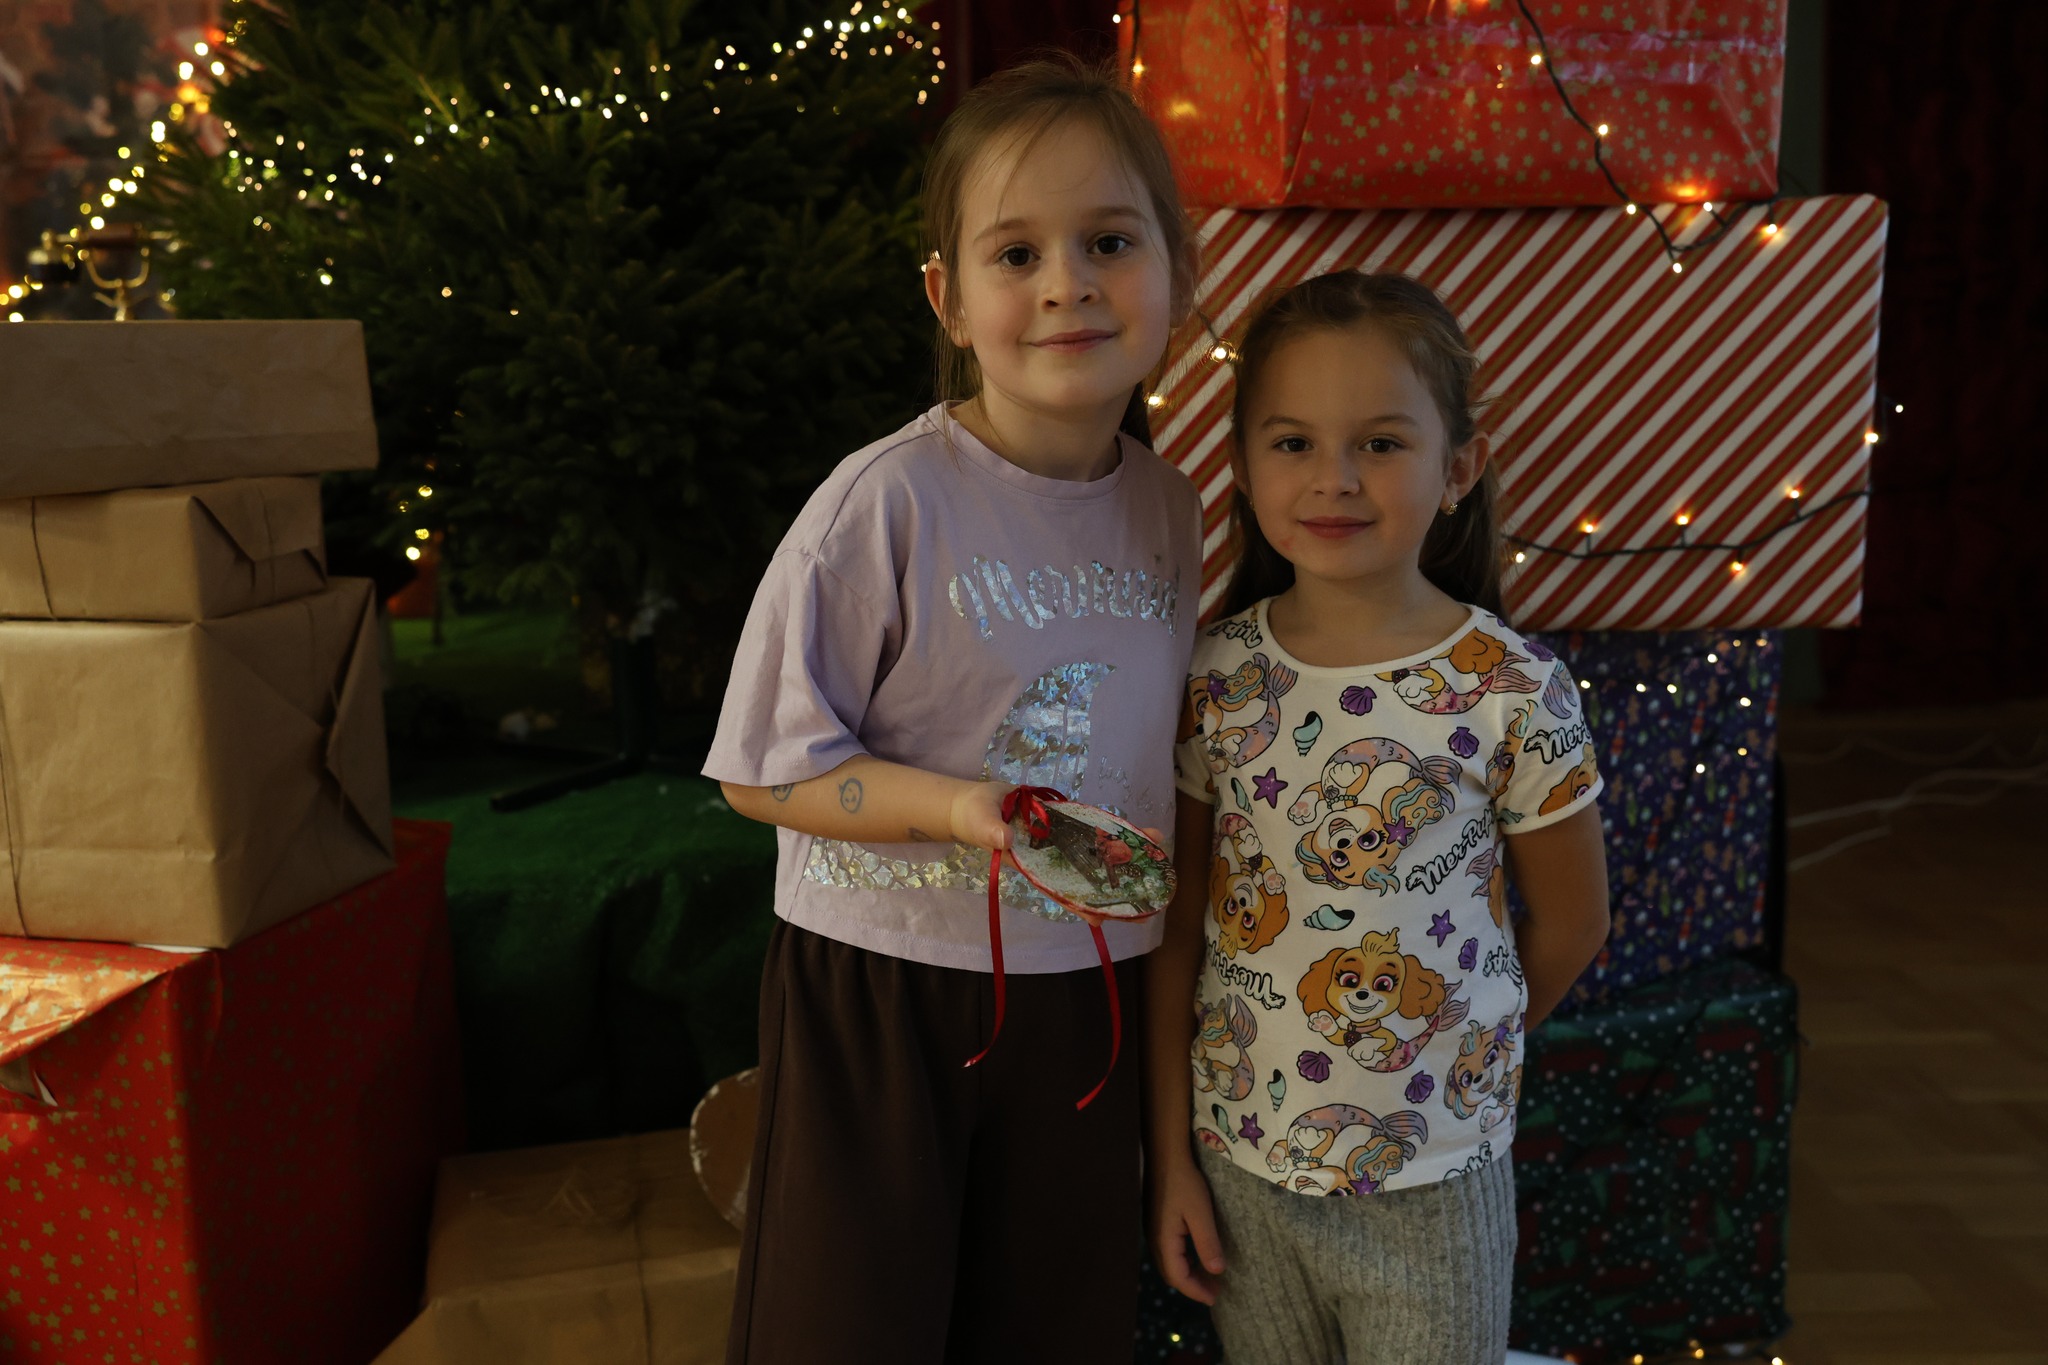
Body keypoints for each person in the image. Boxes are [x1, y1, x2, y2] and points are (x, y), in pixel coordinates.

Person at [704, 55, 1203, 1365]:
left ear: (1178, 272)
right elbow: (760, 772)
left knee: (1051, 1328)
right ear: (951, 300)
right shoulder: (883, 505)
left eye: (1109, 242)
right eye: (1016, 253)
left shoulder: (1172, 510)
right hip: (884, 992)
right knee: (845, 1331)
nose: (1066, 283)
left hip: (1087, 995)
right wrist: (961, 808)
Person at [1143, 270, 1611, 1363]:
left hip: (1434, 1183)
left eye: (1382, 444)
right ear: (1243, 464)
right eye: (1293, 442)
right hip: (1240, 1171)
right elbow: (1177, 936)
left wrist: (1455, 1057)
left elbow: (1572, 923)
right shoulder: (1216, 677)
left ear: (1459, 468)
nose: (1334, 478)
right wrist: (1170, 1160)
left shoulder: (1510, 689)